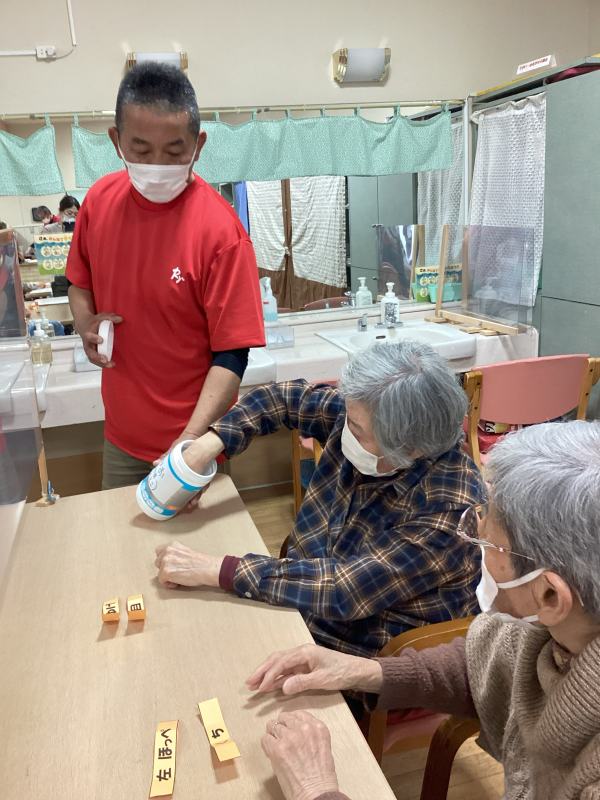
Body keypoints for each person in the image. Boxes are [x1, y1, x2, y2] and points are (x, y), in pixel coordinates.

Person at [246, 421, 600, 800]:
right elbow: (484, 666)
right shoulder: (554, 629)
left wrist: (315, 791)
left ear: (549, 596)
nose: (472, 542)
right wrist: (361, 669)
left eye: (484, 539)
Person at [154, 341, 486, 665]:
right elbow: (280, 398)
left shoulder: (449, 508)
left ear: (410, 449)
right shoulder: (364, 413)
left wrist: (219, 569)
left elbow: (343, 589)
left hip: (363, 650)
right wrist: (207, 445)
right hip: (307, 603)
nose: (344, 428)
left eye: (356, 429)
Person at [66, 62, 265, 489]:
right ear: (116, 141)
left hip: (194, 439)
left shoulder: (221, 232)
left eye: (175, 153)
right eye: (140, 149)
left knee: (194, 554)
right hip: (120, 436)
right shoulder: (99, 202)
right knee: (121, 547)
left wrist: (191, 443)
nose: (157, 165)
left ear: (199, 145)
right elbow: (78, 280)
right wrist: (84, 321)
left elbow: (233, 355)